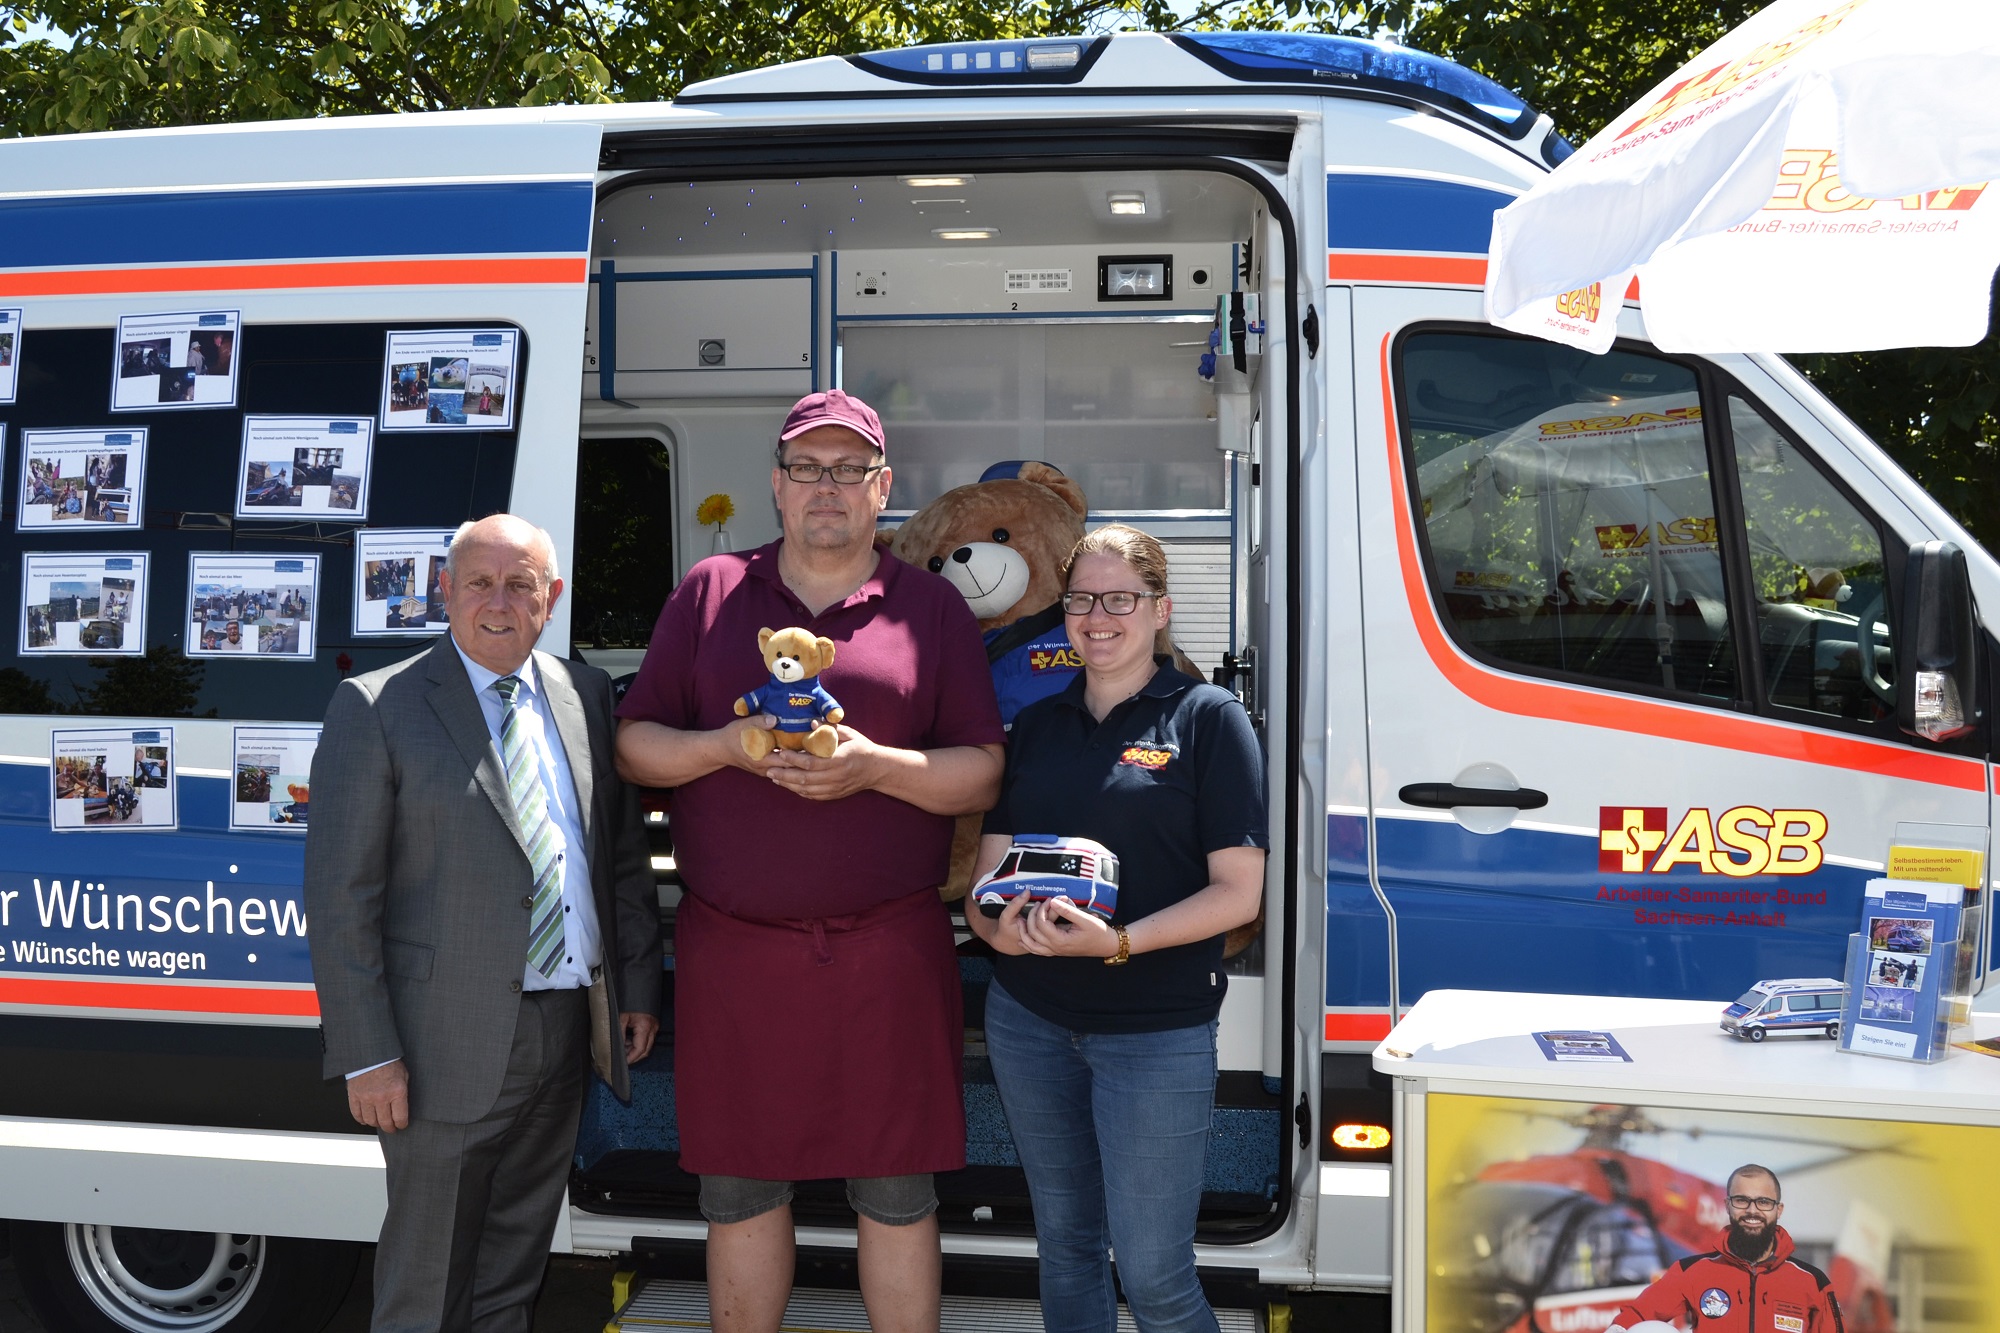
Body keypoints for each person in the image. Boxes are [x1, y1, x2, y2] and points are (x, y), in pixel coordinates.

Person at [615, 389, 1004, 1333]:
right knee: (740, 1194)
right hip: (737, 956)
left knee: (899, 1196)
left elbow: (981, 773)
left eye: (846, 470)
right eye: (805, 468)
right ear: (777, 488)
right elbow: (635, 746)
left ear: (883, 490)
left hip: (889, 956)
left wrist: (877, 767)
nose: (824, 487)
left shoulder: (932, 609)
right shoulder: (710, 593)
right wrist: (723, 747)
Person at [305, 513, 663, 1333]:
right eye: (479, 582)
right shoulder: (378, 705)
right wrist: (369, 1054)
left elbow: (615, 856)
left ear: (552, 598)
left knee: (513, 1270)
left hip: (565, 1029)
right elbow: (339, 897)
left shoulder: (584, 694)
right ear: (446, 592)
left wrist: (635, 984)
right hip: (437, 1048)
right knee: (426, 1288)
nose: (498, 602)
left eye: (521, 584)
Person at [966, 523, 1266, 1333]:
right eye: (1081, 600)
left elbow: (1240, 892)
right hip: (1030, 1021)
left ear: (1160, 609)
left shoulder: (1207, 719)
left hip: (1153, 1030)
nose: (1099, 615)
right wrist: (1001, 930)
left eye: (1120, 598)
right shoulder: (1036, 729)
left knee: (1154, 1272)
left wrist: (1120, 942)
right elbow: (985, 885)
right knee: (1064, 1246)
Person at [1604, 1165, 1842, 1333]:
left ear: (1778, 1210)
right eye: (1741, 1200)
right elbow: (1636, 1316)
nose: (1752, 1210)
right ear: (1728, 1206)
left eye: (1763, 1202)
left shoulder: (1812, 1282)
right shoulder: (1693, 1271)